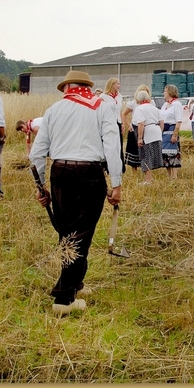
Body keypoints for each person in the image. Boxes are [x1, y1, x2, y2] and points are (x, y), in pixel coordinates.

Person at [29, 70, 123, 316]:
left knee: (67, 231)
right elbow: (112, 146)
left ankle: (76, 283)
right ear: (88, 87)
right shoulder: (101, 107)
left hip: (59, 172)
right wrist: (116, 183)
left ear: (66, 88)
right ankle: (63, 298)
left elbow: (36, 154)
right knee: (81, 234)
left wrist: (41, 188)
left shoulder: (53, 111)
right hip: (89, 174)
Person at [134, 90, 164, 184]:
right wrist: (160, 131)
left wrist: (139, 138)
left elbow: (141, 123)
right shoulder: (154, 108)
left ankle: (148, 179)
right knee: (153, 155)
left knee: (146, 156)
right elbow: (161, 121)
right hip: (156, 131)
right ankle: (149, 178)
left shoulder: (140, 109)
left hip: (147, 132)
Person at [122, 84, 151, 172]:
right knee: (134, 151)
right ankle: (134, 171)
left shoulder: (151, 103)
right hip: (135, 129)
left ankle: (146, 170)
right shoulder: (133, 103)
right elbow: (123, 114)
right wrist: (128, 125)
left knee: (145, 151)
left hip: (146, 129)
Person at [100, 77, 126, 174]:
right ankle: (106, 167)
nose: (119, 86)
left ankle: (119, 167)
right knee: (108, 145)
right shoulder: (103, 96)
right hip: (107, 123)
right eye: (117, 84)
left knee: (118, 144)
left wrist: (122, 123)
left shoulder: (119, 96)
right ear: (112, 85)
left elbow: (120, 111)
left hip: (117, 122)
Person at [160, 84, 183, 179]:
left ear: (170, 92)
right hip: (163, 131)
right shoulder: (165, 104)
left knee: (172, 153)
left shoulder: (177, 104)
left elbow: (178, 121)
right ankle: (169, 175)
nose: (164, 93)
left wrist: (175, 135)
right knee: (165, 154)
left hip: (171, 130)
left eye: (165, 91)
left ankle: (174, 176)